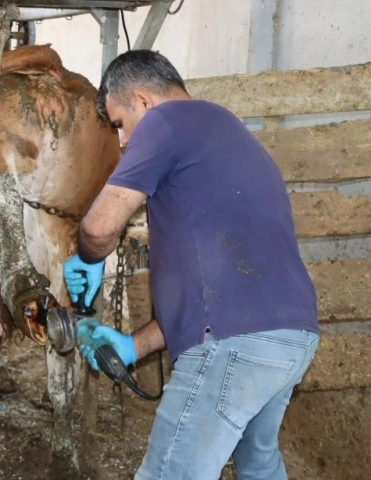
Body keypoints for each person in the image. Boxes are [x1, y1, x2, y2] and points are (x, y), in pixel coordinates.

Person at [62, 50, 320, 480]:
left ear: (142, 100)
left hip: (236, 345)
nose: (124, 141)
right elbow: (216, 292)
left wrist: (87, 256)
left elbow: (99, 227)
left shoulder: (166, 121)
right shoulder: (226, 132)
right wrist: (133, 347)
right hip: (290, 338)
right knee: (258, 465)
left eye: (120, 124)